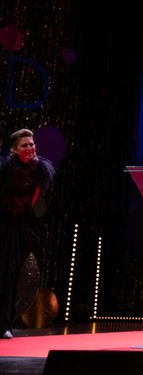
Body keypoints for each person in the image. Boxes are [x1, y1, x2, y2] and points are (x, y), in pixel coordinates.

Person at [0, 128, 55, 339]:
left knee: (13, 273)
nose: (30, 148)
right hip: (3, 222)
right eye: (25, 145)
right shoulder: (5, 169)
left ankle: (5, 324)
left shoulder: (41, 170)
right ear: (14, 150)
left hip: (23, 225)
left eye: (32, 144)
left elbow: (34, 199)